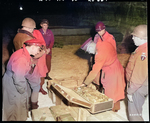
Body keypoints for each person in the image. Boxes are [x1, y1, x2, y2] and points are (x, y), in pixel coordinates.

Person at [80, 21, 126, 112]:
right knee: (116, 89)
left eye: (89, 51)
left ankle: (111, 111)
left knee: (110, 92)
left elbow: (94, 70)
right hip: (115, 65)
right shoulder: (101, 43)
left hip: (111, 70)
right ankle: (115, 108)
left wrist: (85, 83)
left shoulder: (101, 52)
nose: (89, 53)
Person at [2, 39, 46, 121]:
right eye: (38, 49)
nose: (38, 52)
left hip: (15, 80)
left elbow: (27, 71)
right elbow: (18, 78)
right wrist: (22, 91)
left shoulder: (25, 53)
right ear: (33, 47)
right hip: (12, 83)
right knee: (14, 106)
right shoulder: (21, 58)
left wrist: (34, 84)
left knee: (19, 106)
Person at [13, 17, 49, 95]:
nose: (33, 31)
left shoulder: (17, 35)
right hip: (28, 61)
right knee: (33, 77)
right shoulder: (28, 38)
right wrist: (44, 52)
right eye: (32, 29)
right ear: (30, 28)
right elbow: (34, 54)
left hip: (20, 61)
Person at [126, 25, 148, 121]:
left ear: (142, 38)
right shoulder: (142, 48)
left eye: (135, 36)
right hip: (141, 84)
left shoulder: (143, 54)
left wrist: (130, 92)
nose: (133, 38)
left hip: (137, 88)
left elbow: (138, 77)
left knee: (134, 114)